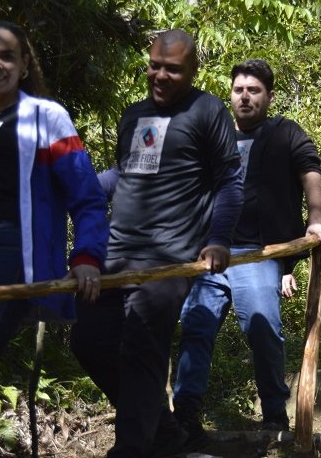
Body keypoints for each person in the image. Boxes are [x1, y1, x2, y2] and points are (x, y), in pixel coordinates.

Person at [70, 29, 244, 458]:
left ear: (193, 71)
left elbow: (229, 182)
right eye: (155, 65)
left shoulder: (208, 111)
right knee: (88, 342)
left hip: (169, 257)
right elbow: (126, 172)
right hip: (115, 252)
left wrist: (219, 240)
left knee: (143, 348)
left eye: (173, 69)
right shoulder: (132, 114)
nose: (160, 75)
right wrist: (80, 189)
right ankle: (165, 435)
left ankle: (130, 448)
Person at [0, 20, 109, 457]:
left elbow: (88, 197)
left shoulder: (45, 117)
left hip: (6, 252)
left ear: (24, 66)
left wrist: (88, 254)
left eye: (7, 55)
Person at [172, 59, 321, 436]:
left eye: (254, 90)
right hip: (210, 254)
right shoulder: (215, 137)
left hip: (259, 254)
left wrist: (316, 218)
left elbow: (310, 171)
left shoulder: (285, 133)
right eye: (239, 89)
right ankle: (185, 416)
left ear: (269, 96)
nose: (244, 97)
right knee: (195, 328)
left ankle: (275, 414)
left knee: (264, 330)